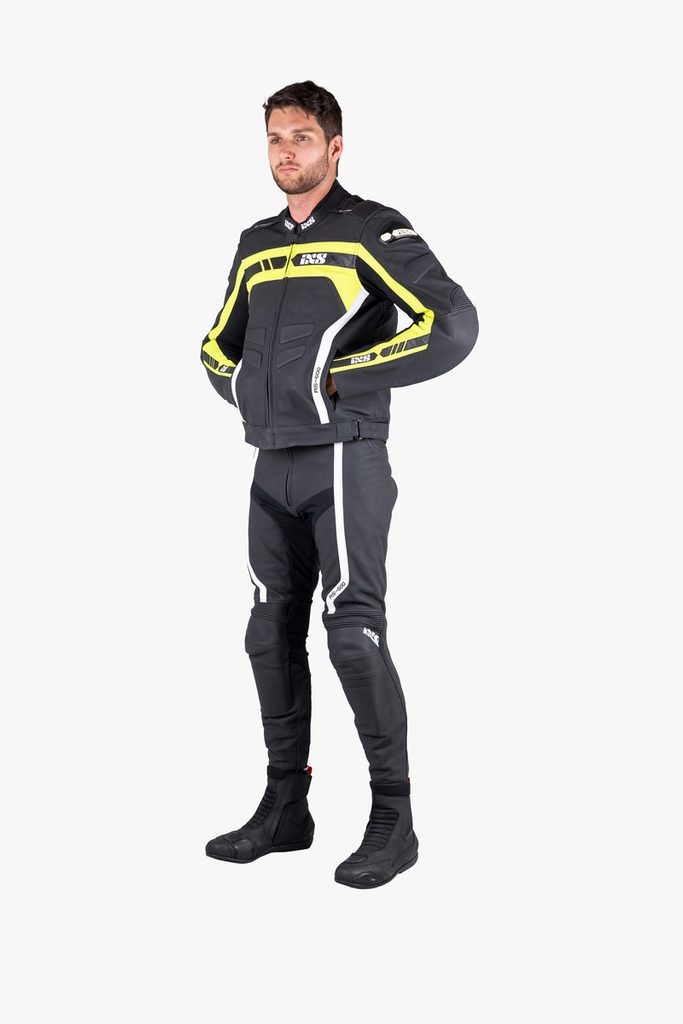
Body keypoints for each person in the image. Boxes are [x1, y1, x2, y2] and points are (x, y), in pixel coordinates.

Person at [200, 80, 479, 888]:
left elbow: (452, 323)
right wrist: (251, 392)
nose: (285, 151)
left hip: (343, 459)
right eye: (274, 137)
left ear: (334, 146)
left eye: (301, 137)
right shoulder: (255, 242)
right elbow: (216, 345)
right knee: (267, 633)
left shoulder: (370, 228)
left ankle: (394, 820)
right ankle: (285, 807)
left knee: (351, 635)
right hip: (270, 464)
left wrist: (340, 379)